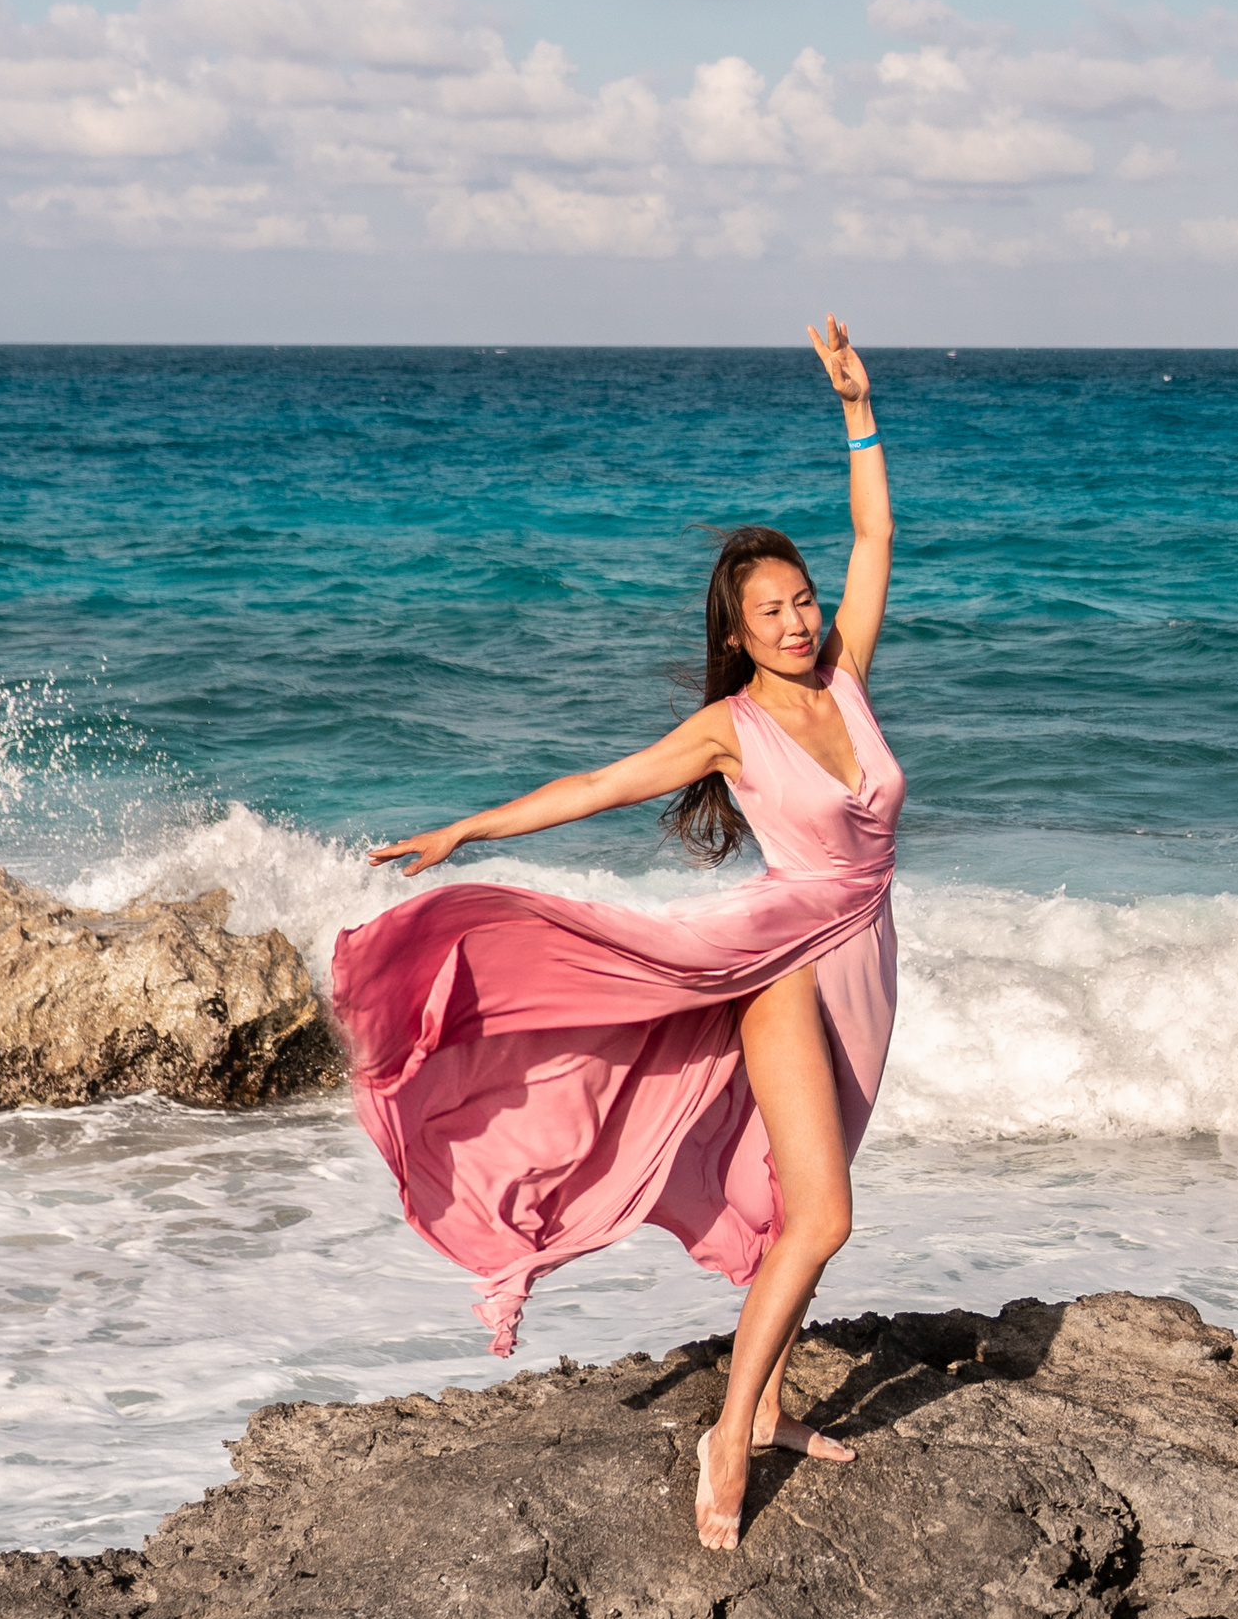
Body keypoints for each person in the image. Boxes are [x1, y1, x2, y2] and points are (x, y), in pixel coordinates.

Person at [334, 316, 899, 1551]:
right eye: (771, 612)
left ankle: (772, 1406)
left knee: (791, 1196)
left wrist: (857, 411)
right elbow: (596, 786)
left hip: (869, 959)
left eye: (802, 602)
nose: (797, 622)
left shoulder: (846, 675)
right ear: (735, 635)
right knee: (824, 1215)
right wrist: (470, 828)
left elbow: (873, 536)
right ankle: (729, 1432)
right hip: (785, 962)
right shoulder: (731, 728)